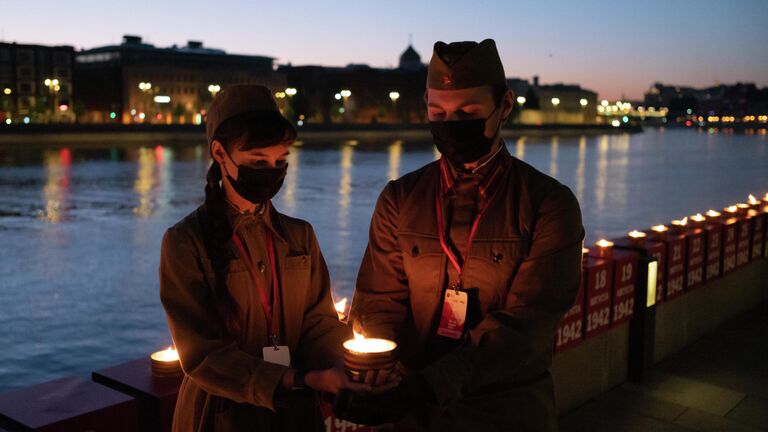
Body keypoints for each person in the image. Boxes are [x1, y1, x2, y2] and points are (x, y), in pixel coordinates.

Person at [341, 39, 585, 431]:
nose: (451, 124)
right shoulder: (399, 198)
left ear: (504, 106)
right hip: (413, 418)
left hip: (506, 413)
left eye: (467, 112)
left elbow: (525, 325)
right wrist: (377, 373)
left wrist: (427, 385)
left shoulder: (550, 205)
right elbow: (378, 300)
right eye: (438, 112)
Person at [159, 84, 369, 431]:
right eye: (258, 162)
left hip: (296, 414)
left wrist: (341, 365)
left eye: (279, 161)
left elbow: (319, 324)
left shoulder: (300, 235)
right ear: (219, 153)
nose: (271, 171)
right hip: (218, 415)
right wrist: (297, 379)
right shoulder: (184, 242)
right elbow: (203, 357)